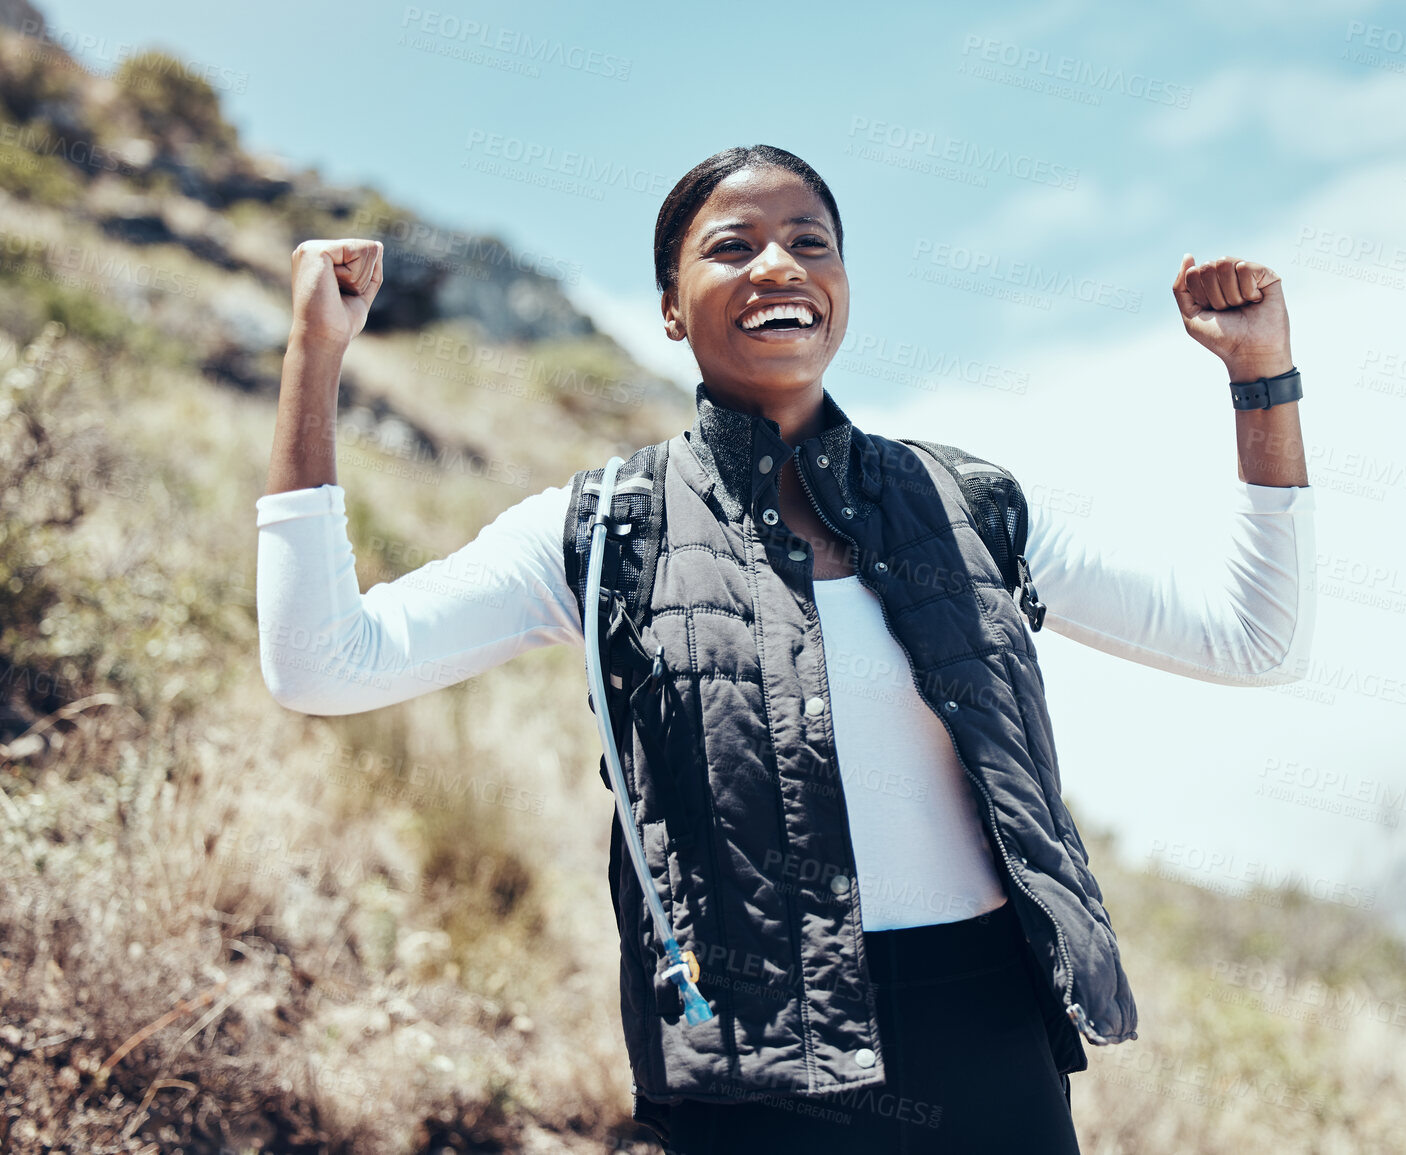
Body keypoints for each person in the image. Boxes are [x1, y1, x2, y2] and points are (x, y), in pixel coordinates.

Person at [256, 144, 1315, 1154]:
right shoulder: (601, 529)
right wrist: (316, 357)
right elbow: (322, 664)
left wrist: (1262, 379)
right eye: (731, 246)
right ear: (669, 309)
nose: (779, 265)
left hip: (994, 1038)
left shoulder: (971, 508)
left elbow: (1254, 640)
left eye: (812, 242)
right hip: (757, 1069)